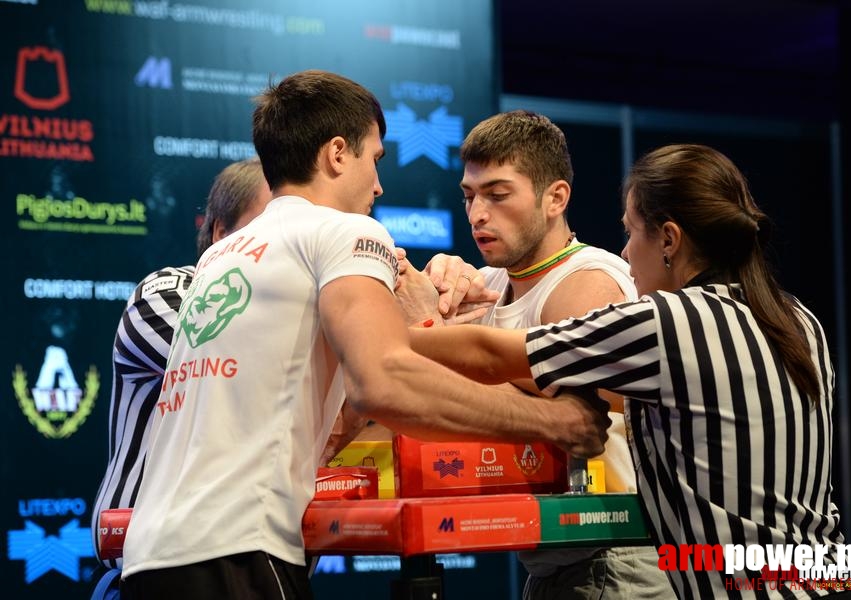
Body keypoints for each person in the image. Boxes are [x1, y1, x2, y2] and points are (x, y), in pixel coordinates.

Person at [118, 69, 612, 600]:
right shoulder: (345, 231)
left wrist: (422, 329)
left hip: (152, 554)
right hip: (239, 548)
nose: (378, 185)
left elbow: (326, 407)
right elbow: (384, 383)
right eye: (374, 159)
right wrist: (553, 420)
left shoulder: (221, 255)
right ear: (337, 154)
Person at [406, 144, 851, 599]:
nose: (625, 255)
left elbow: (492, 355)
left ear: (669, 239)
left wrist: (403, 327)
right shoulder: (798, 317)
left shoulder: (664, 320)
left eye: (632, 233)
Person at [405, 110, 675, 599]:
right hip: (551, 560)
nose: (477, 214)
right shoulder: (483, 284)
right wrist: (434, 315)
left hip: (619, 558)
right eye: (469, 196)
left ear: (556, 197)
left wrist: (446, 352)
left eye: (498, 195)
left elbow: (593, 402)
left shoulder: (589, 279)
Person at [88, 157, 272, 599]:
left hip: (260, 569)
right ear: (221, 235)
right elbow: (253, 367)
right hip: (148, 575)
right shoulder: (167, 293)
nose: (289, 248)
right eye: (270, 231)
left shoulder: (314, 315)